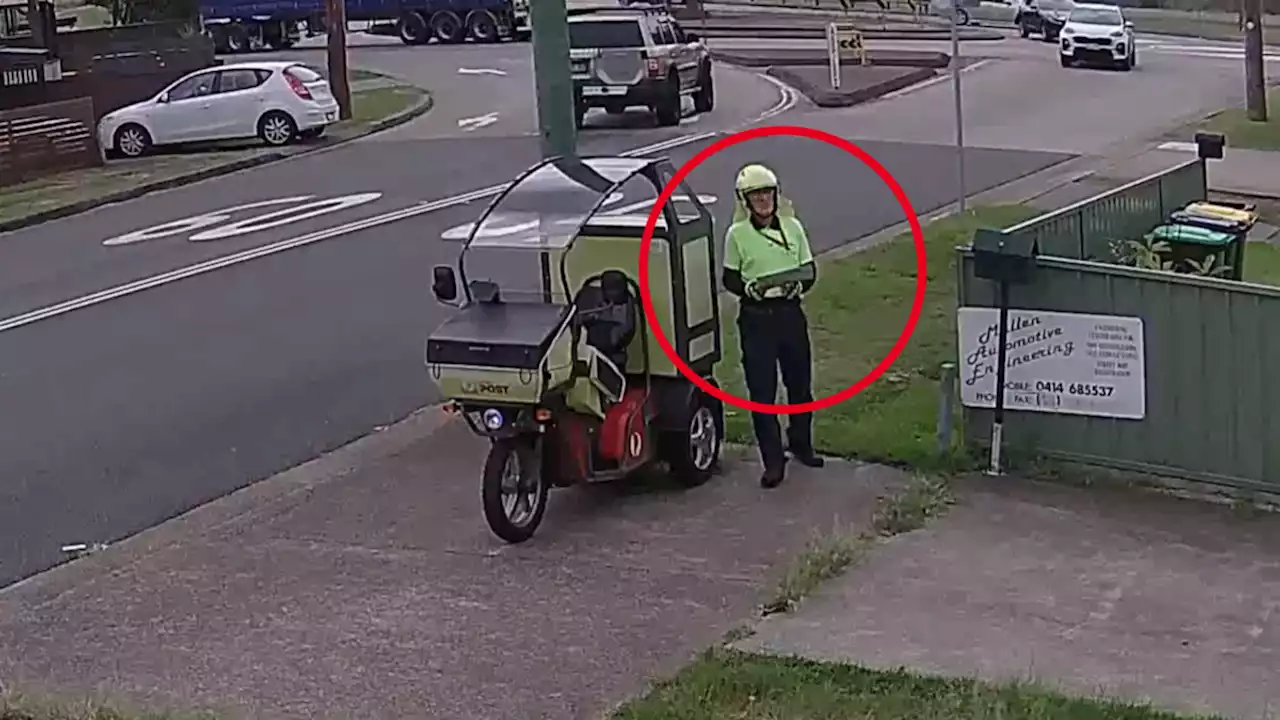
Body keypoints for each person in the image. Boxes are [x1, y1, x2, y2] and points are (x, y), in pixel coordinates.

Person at [721, 163, 825, 489]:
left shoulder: (793, 227)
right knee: (762, 391)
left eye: (767, 193)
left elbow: (809, 269)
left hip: (789, 313)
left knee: (800, 384)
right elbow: (730, 277)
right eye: (756, 195)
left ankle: (801, 443)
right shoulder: (737, 235)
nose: (764, 200)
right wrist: (749, 289)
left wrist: (798, 286)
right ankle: (773, 462)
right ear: (745, 200)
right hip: (757, 319)